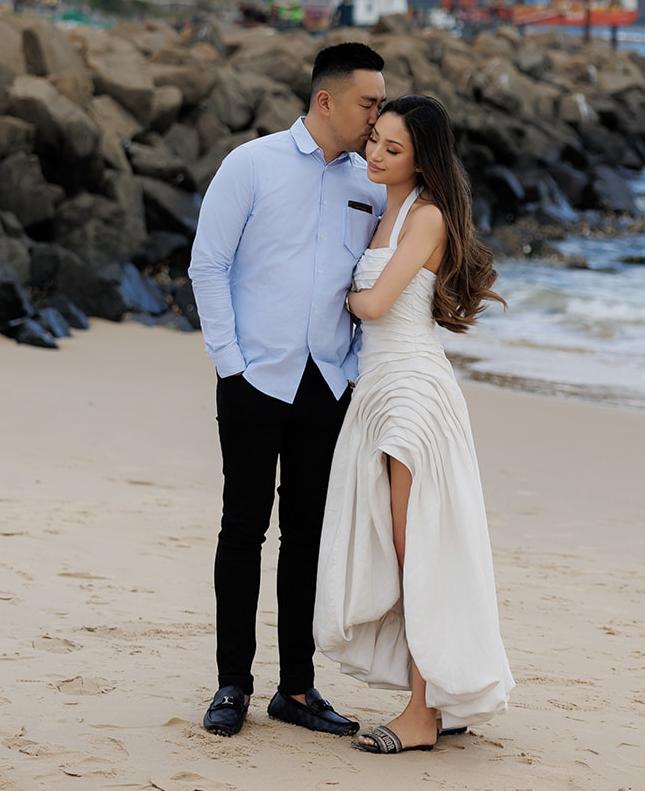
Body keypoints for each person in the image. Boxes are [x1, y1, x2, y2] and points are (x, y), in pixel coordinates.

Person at [189, 41, 387, 738]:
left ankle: (296, 689)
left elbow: (375, 281)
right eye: (368, 103)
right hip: (254, 378)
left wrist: (355, 367)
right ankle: (232, 685)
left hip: (328, 382)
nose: (377, 117)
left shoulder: (371, 183)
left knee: (307, 536)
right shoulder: (252, 164)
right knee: (243, 529)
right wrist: (230, 363)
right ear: (326, 100)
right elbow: (208, 264)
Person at [314, 93, 515, 754]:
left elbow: (374, 305)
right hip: (379, 389)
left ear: (421, 160)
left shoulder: (425, 216)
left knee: (416, 551)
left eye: (391, 148)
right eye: (374, 138)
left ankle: (422, 714)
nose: (374, 153)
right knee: (399, 548)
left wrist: (329, 295)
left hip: (411, 394)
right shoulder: (383, 210)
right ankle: (435, 700)